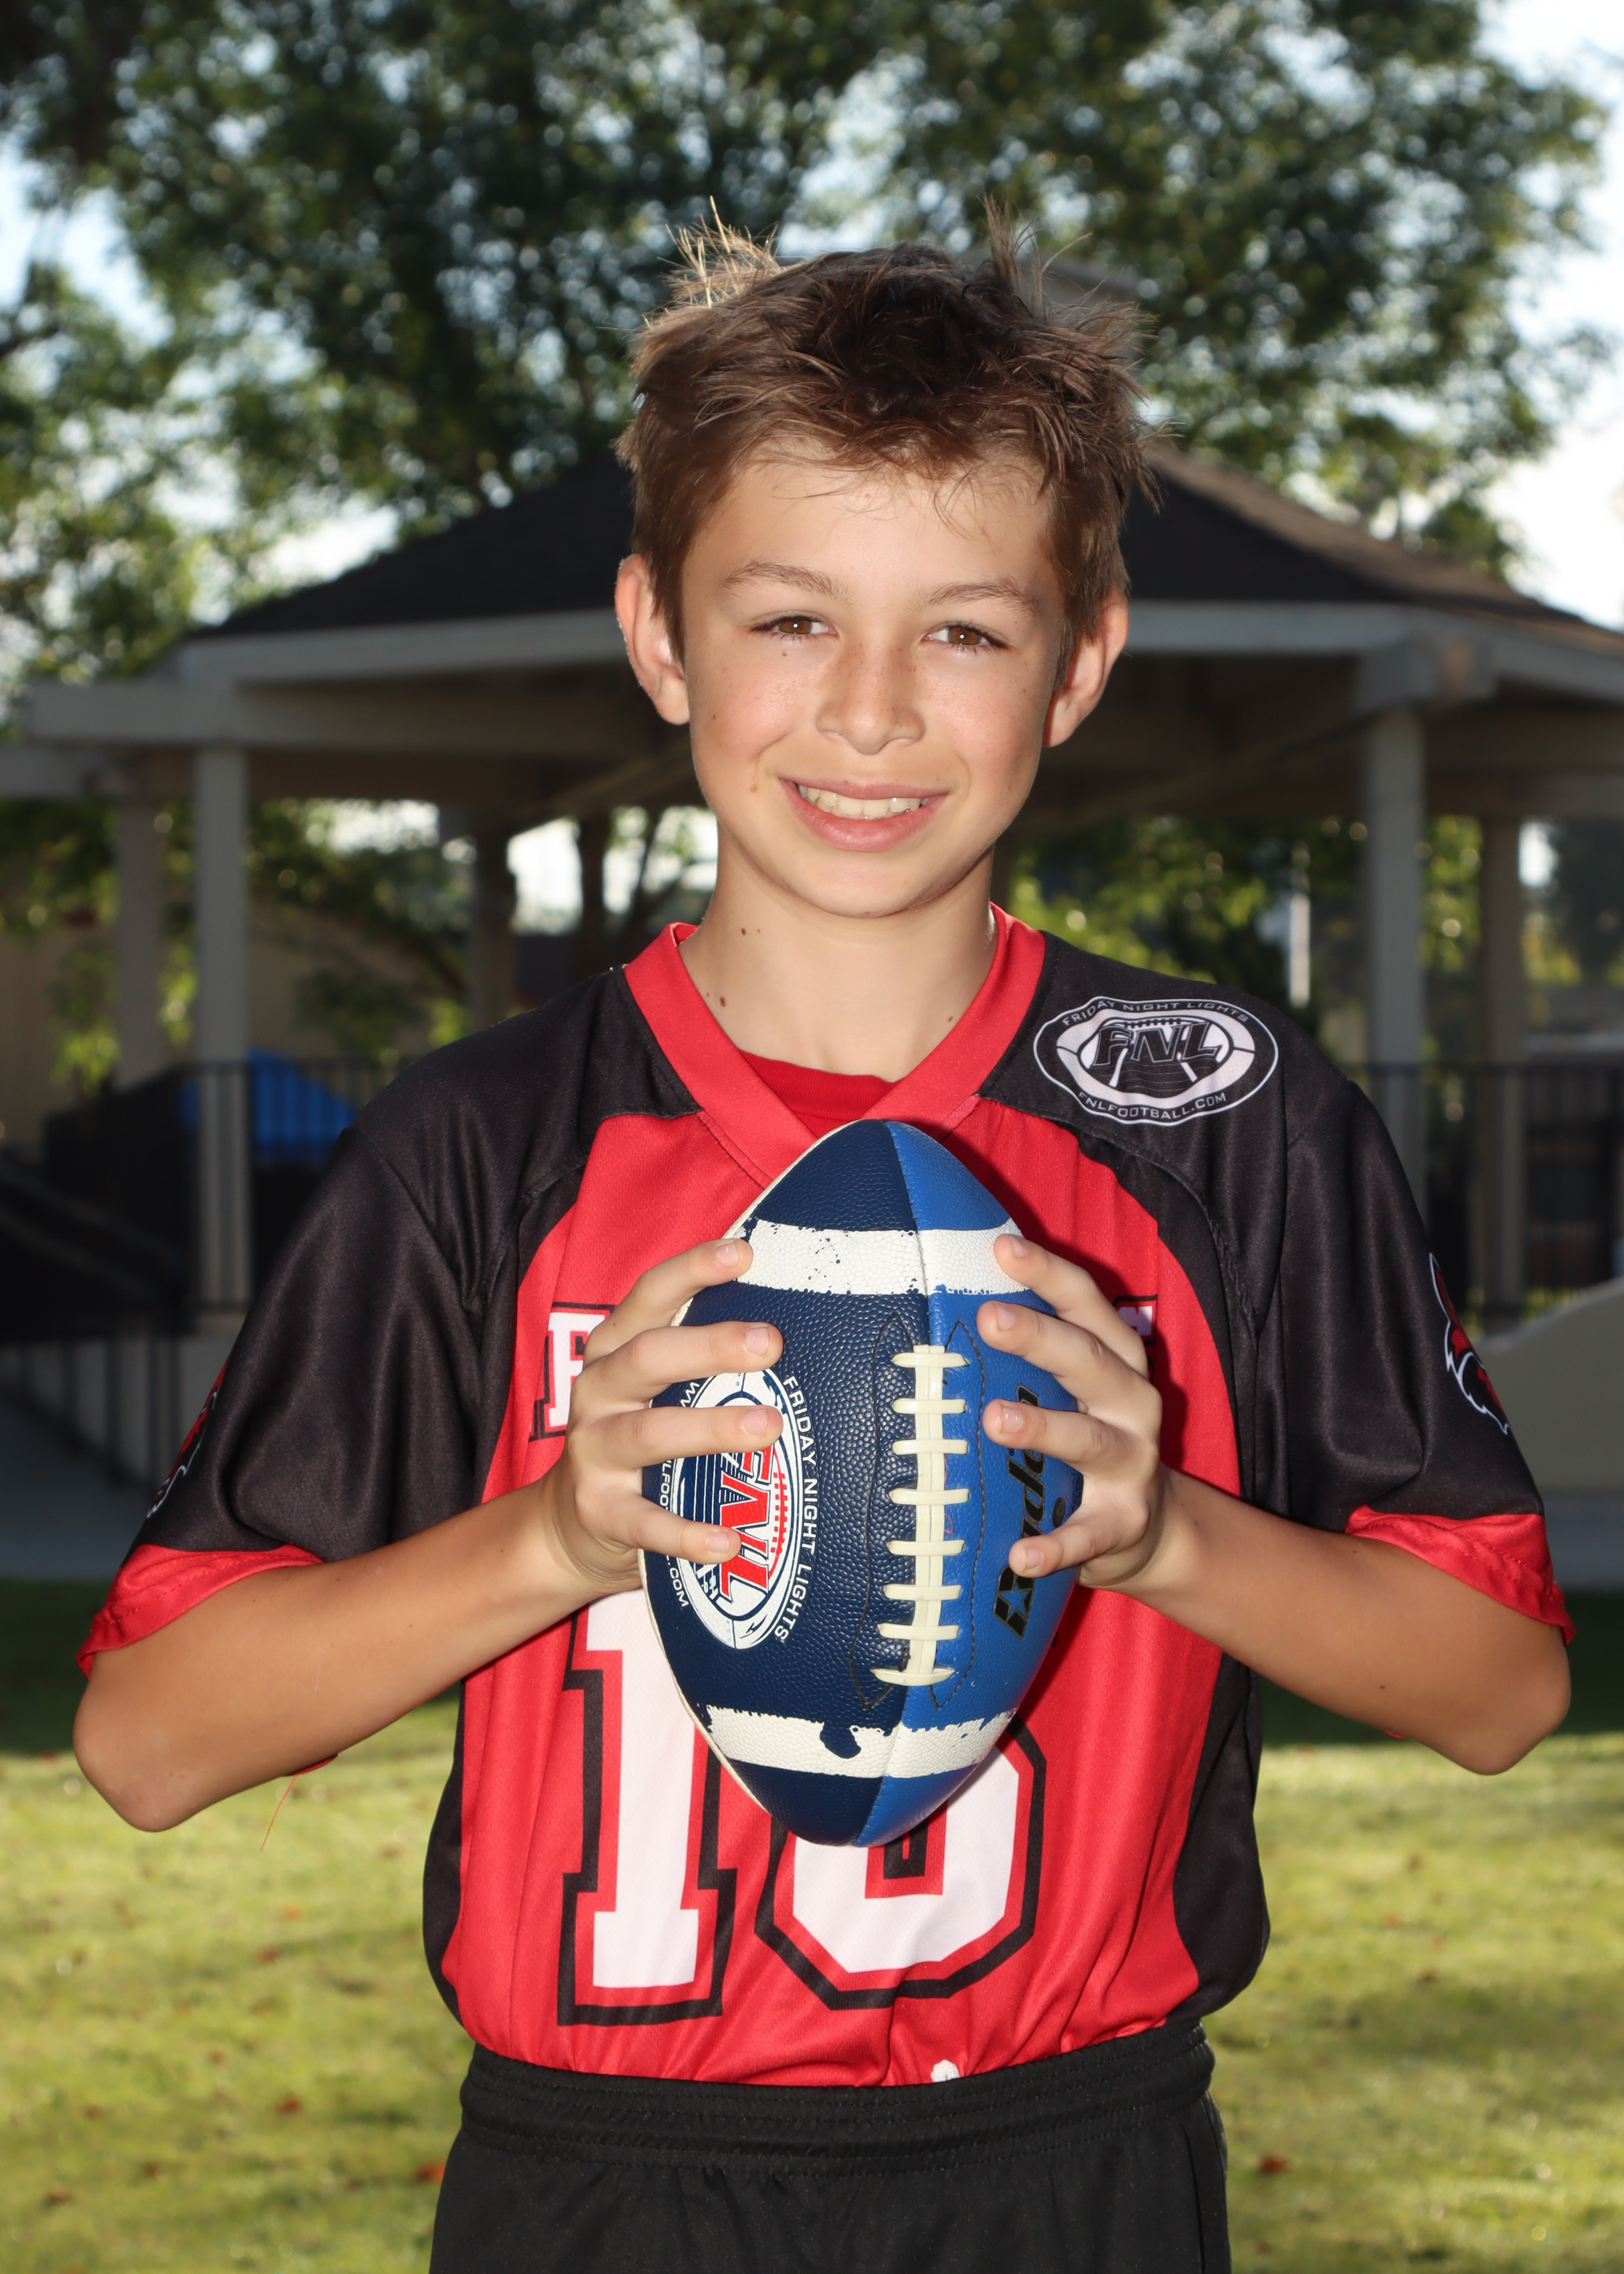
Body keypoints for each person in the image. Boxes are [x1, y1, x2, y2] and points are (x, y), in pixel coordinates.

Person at [74, 226, 1571, 2274]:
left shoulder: (1222, 1123)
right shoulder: (481, 1148)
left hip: (1075, 2166)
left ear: (1080, 660)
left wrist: (1166, 1535)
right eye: (789, 618)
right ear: (659, 636)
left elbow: (1497, 1685)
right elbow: (149, 1739)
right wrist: (554, 1537)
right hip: (599, 2183)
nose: (868, 712)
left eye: (962, 630)